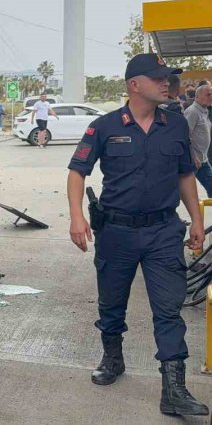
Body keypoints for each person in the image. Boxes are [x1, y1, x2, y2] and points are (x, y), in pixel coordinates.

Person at [67, 53, 208, 417]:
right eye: (159, 78)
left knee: (169, 308)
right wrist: (76, 216)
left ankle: (173, 387)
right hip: (116, 232)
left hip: (163, 230)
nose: (167, 84)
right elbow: (77, 171)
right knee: (111, 302)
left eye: (168, 78)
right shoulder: (104, 126)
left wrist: (195, 219)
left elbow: (185, 176)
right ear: (134, 84)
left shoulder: (175, 125)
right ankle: (113, 358)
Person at [185, 84, 212, 198]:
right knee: (181, 192)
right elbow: (184, 135)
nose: (211, 97)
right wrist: (192, 156)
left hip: (203, 160)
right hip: (193, 161)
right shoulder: (193, 112)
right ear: (197, 96)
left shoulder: (205, 111)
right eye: (208, 94)